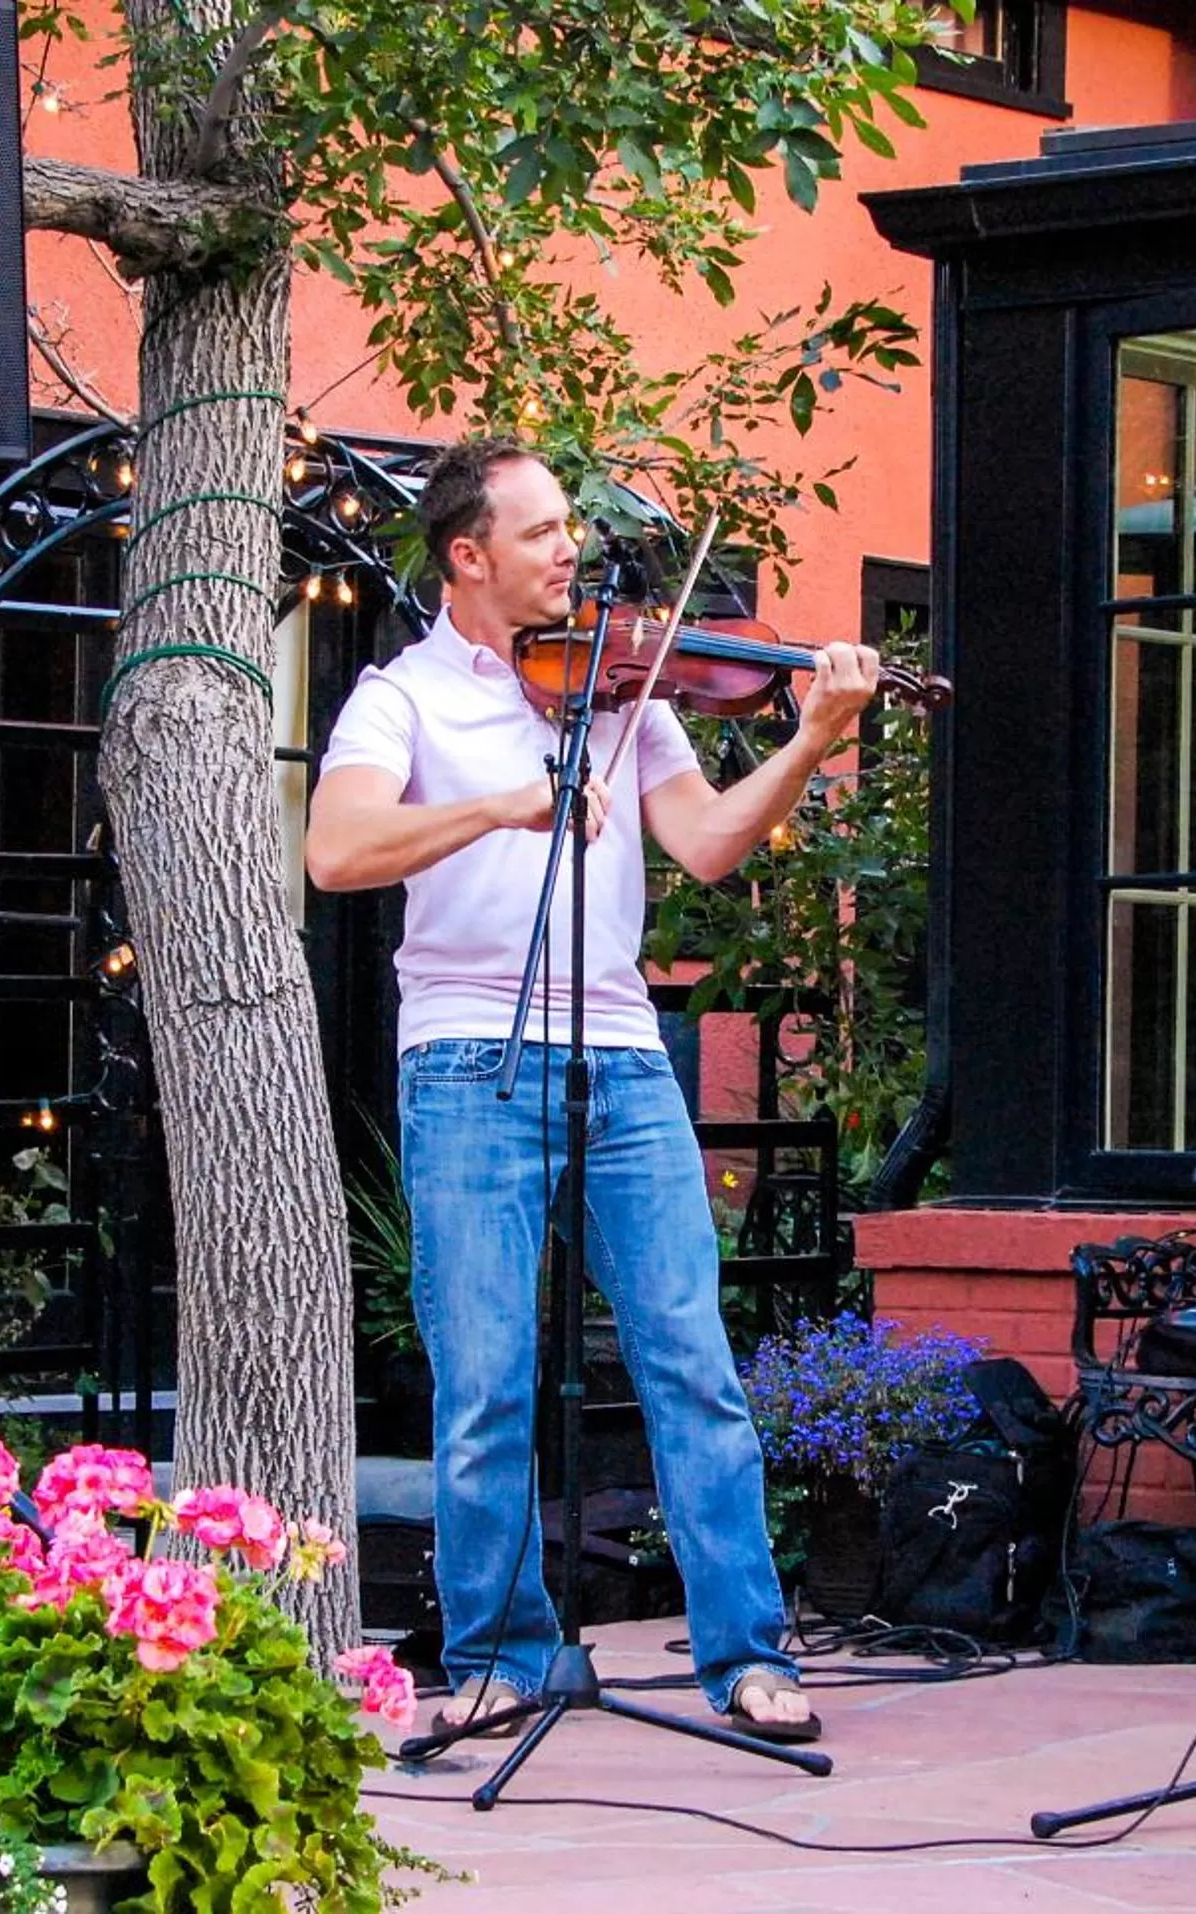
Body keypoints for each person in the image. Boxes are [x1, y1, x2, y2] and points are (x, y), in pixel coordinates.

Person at [305, 437, 880, 1745]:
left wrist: (813, 738)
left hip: (623, 1054)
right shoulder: (401, 699)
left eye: (570, 526)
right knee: (486, 1382)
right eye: (543, 530)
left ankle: (747, 1653)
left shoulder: (622, 693)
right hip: (469, 1058)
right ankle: (497, 1656)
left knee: (692, 1360)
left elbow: (711, 845)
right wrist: (504, 804)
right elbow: (336, 849)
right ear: (468, 556)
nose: (574, 549)